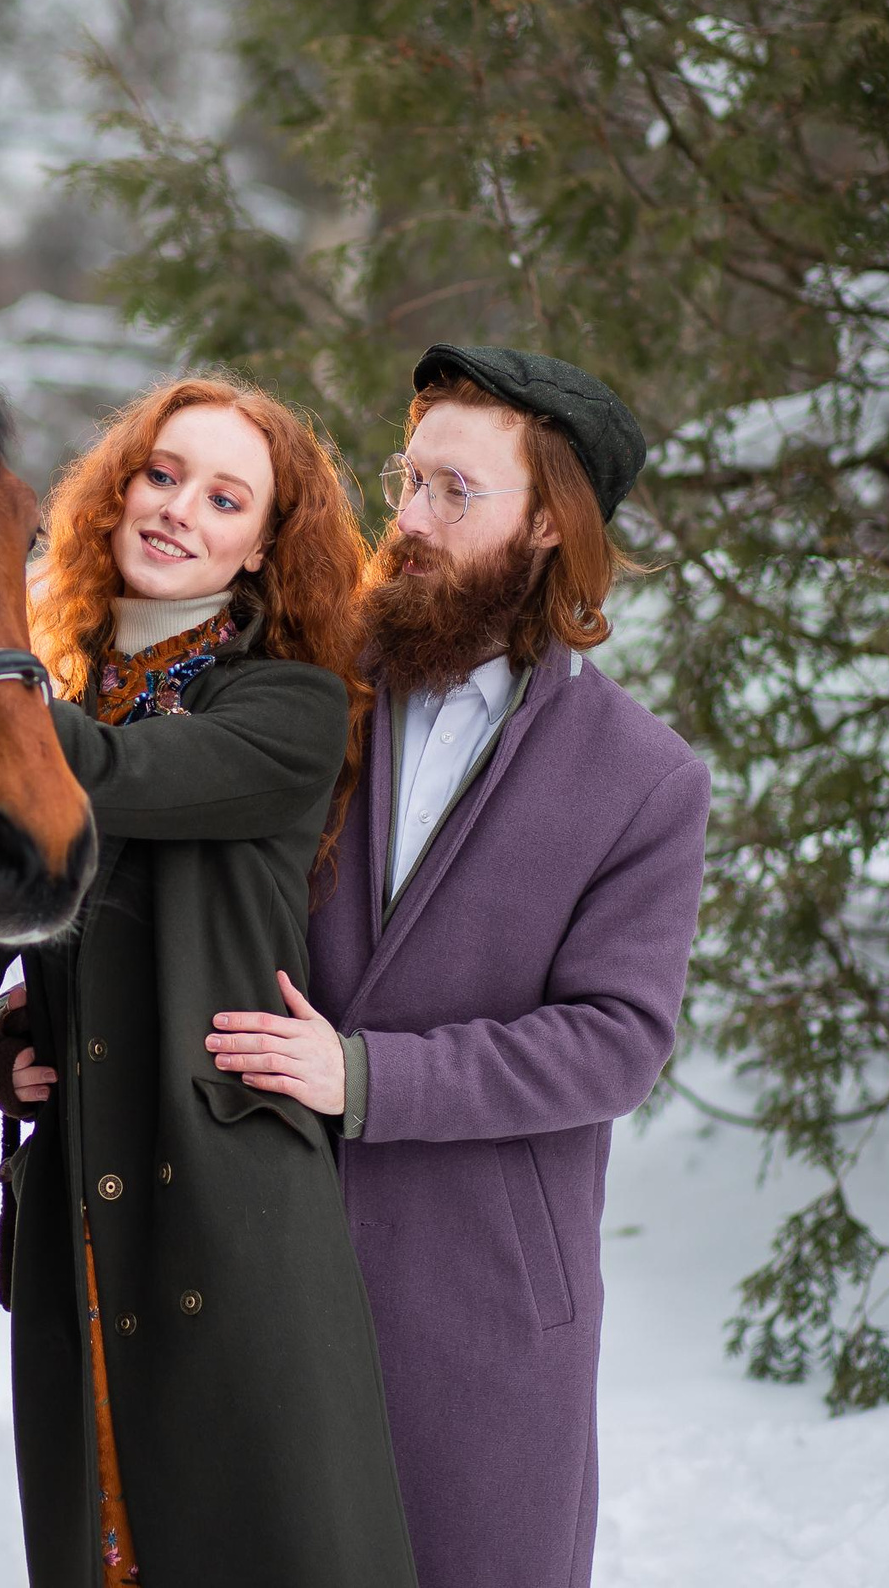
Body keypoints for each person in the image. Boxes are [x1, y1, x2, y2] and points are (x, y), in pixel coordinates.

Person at [199, 347, 710, 1588]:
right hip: (256, 1262)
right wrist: (36, 1023)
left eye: (455, 491)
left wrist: (368, 1078)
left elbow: (615, 1042)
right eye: (407, 480)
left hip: (481, 1310)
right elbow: (185, 900)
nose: (411, 521)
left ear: (547, 524)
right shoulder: (302, 693)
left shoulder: (643, 779)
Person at [0, 373, 417, 1587]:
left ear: (263, 546)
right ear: (115, 494)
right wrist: (8, 1031)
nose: (177, 509)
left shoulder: (288, 708)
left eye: (224, 498)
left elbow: (118, 775)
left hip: (225, 1206)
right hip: (77, 1202)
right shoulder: (47, 702)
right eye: (160, 475)